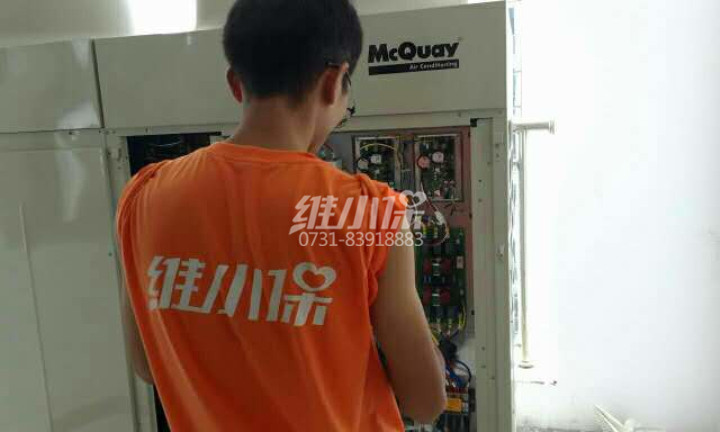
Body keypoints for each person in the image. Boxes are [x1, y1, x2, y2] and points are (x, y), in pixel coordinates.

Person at [116, 0, 446, 430]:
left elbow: (147, 364)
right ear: (333, 82)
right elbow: (425, 401)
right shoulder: (370, 211)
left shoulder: (143, 195)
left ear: (236, 84)